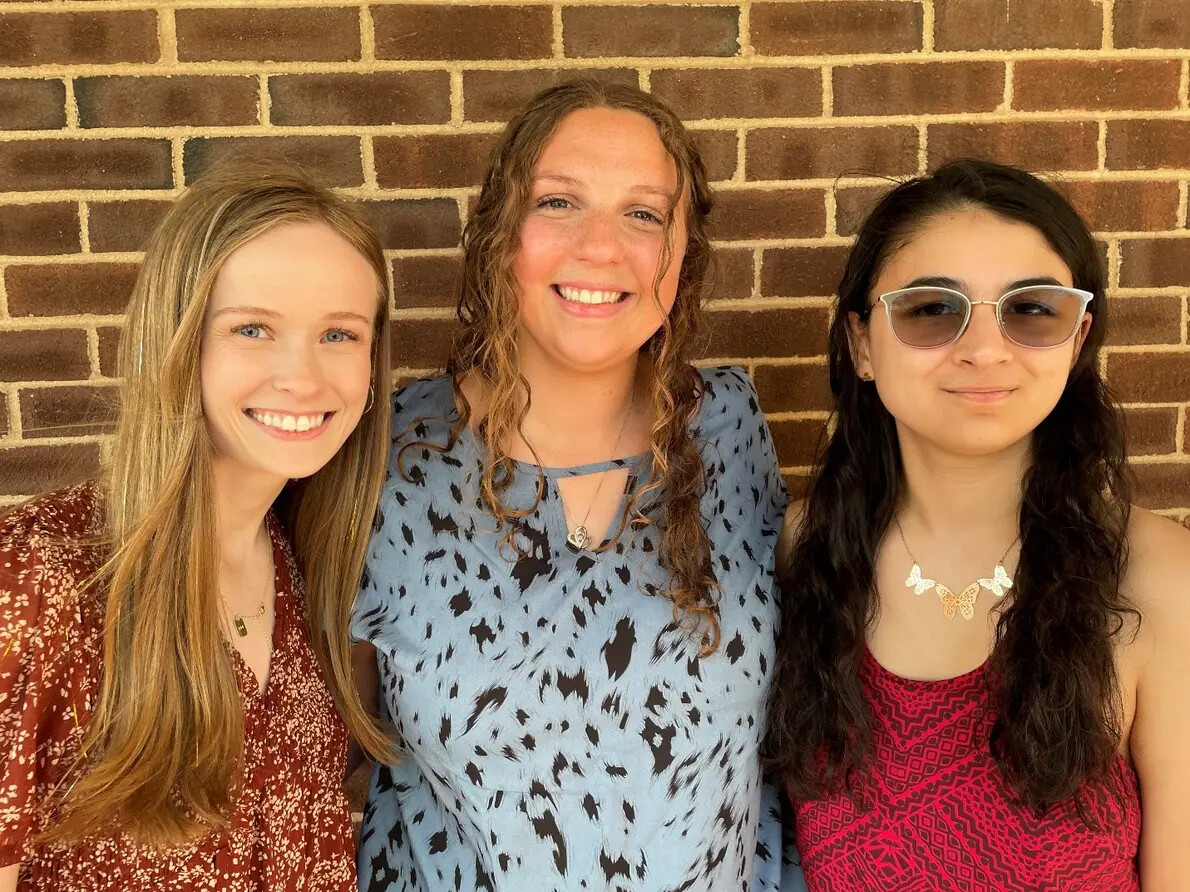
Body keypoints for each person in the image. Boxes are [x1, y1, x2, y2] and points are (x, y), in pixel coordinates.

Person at [351, 79, 800, 891]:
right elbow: (336, 744)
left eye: (643, 213)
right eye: (557, 203)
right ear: (499, 232)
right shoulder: (389, 457)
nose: (600, 247)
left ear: (682, 254)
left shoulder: (730, 428)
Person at [766, 159, 1190, 890]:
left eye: (1032, 310)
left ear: (1078, 339)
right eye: (932, 309)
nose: (985, 348)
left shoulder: (1154, 575)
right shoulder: (809, 546)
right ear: (863, 344)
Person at [0, 160, 394, 890]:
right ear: (177, 343)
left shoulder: (312, 571)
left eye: (339, 335)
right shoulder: (41, 582)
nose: (303, 377)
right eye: (252, 328)